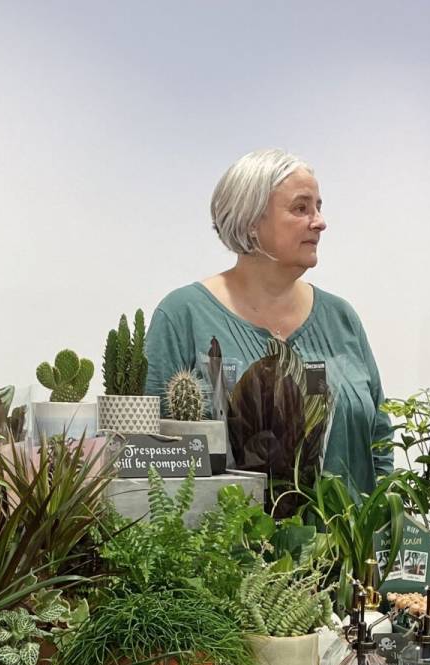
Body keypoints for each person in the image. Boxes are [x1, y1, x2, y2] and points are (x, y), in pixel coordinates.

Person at [145, 148, 392, 493]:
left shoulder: (341, 319)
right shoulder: (183, 316)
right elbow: (150, 458)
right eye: (301, 208)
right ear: (251, 221)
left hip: (348, 546)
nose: (320, 221)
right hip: (224, 543)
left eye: (319, 207)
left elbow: (380, 443)